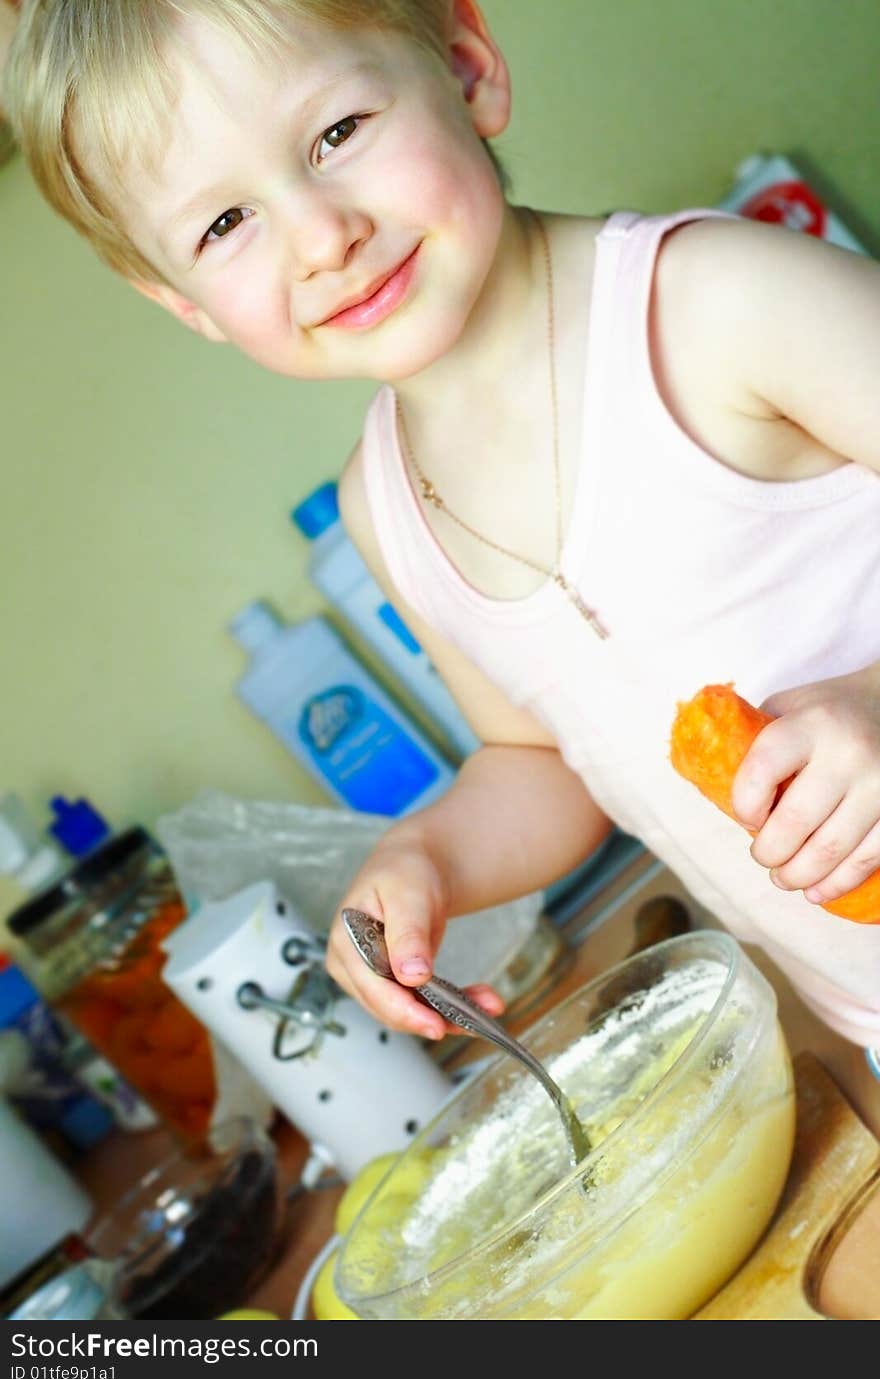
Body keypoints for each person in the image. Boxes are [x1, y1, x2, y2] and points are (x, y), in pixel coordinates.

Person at [4, 0, 879, 1050]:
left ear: (466, 66)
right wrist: (429, 856)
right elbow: (543, 760)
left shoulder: (720, 305)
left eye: (337, 134)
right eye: (223, 225)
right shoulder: (385, 510)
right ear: (182, 299)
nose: (323, 239)